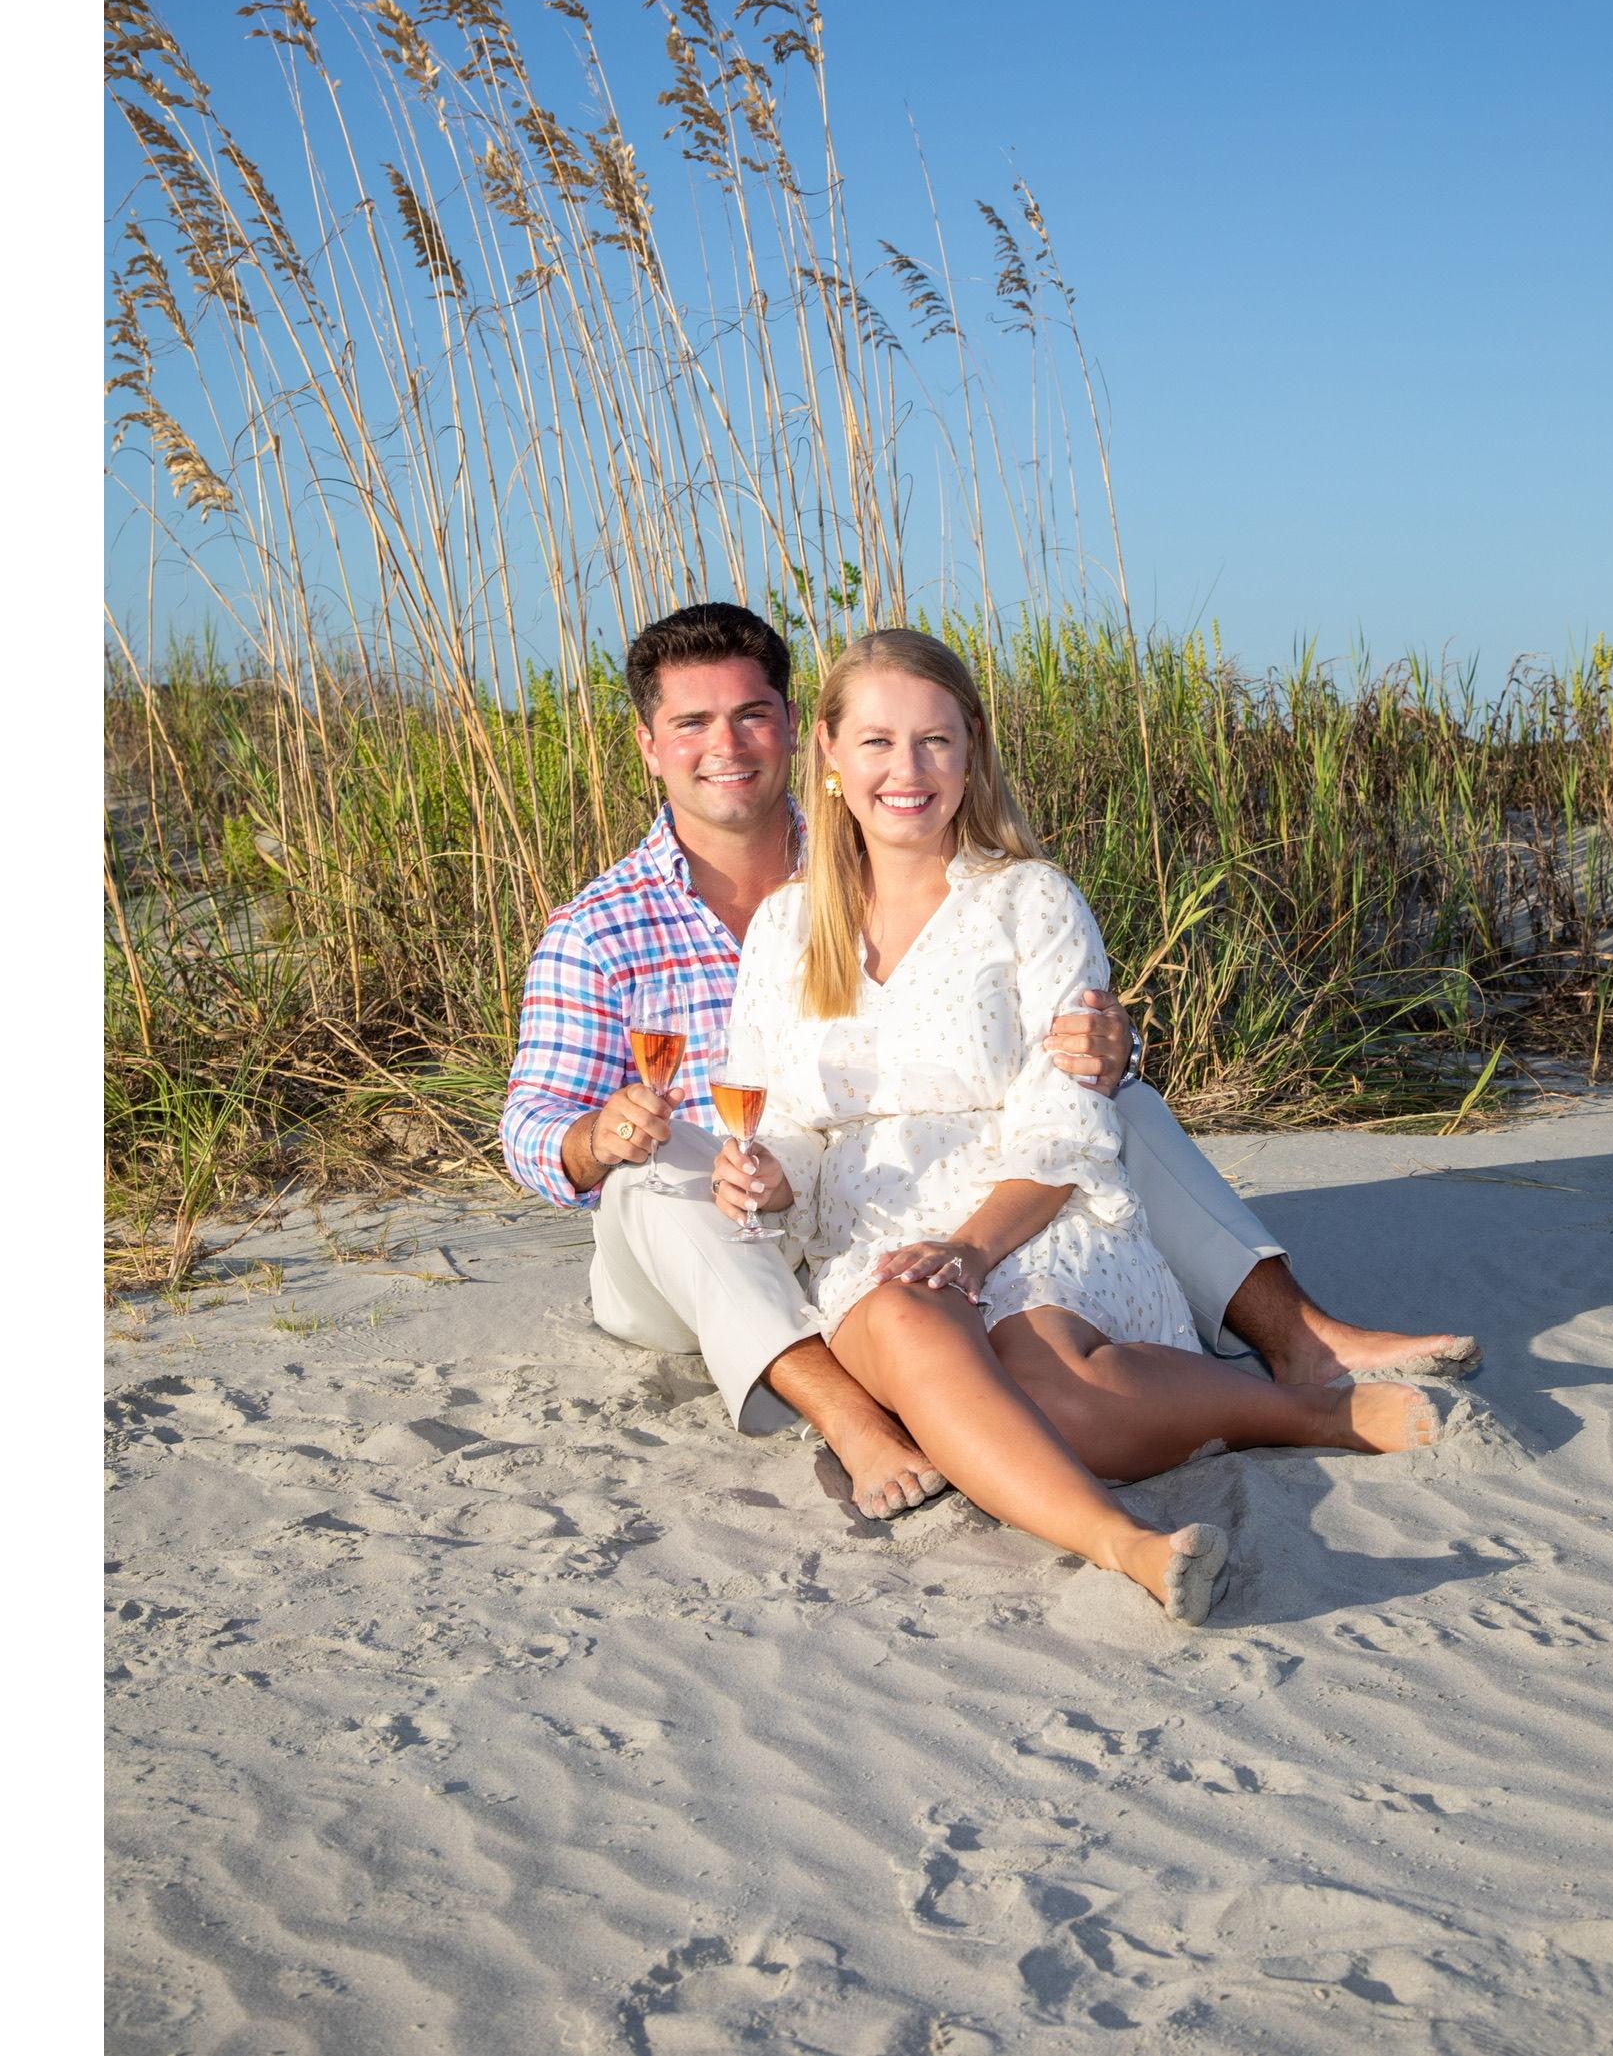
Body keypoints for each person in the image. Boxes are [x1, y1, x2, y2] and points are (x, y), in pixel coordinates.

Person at [499, 603, 1475, 1523]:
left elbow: (1008, 1023)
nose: (726, 744)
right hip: (709, 1249)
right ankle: (851, 1416)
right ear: (647, 743)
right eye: (692, 722)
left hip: (900, 1193)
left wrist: (1105, 1043)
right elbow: (528, 1129)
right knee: (664, 1176)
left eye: (751, 714)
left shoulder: (884, 837)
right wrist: (593, 1136)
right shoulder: (600, 930)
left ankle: (1295, 1334)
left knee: (1113, 1097)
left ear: (799, 732)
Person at [714, 628, 1444, 1622]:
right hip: (869, 1226)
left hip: (1026, 1204)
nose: (907, 769)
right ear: (831, 756)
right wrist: (768, 1178)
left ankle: (1297, 1406)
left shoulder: (1030, 900)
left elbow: (1063, 1111)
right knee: (901, 1307)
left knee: (1058, 1401)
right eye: (878, 741)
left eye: (935, 740)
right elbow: (784, 1120)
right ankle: (1129, 1544)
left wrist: (973, 1248)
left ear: (971, 750)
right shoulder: (788, 927)